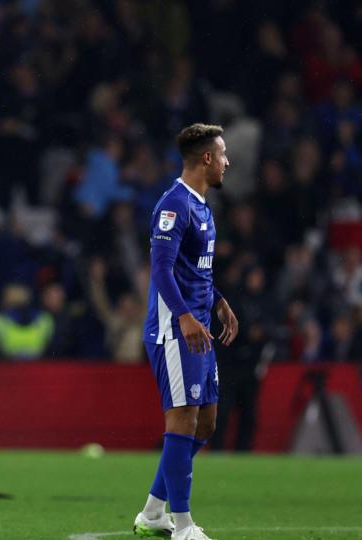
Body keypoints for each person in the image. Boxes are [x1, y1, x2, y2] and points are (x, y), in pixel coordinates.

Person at [133, 124, 239, 540]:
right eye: (224, 154)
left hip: (198, 325)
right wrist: (183, 316)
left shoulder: (202, 207)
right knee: (182, 418)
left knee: (206, 423)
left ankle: (153, 511)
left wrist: (218, 302)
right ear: (207, 158)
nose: (228, 162)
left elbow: (194, 271)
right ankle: (183, 526)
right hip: (174, 330)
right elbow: (160, 268)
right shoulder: (173, 205)